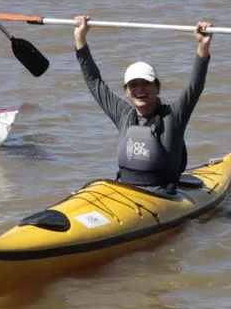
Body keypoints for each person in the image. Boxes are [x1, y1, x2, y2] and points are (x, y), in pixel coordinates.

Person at [74, 14, 212, 194]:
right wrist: (80, 38)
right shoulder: (122, 114)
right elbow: (94, 82)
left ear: (157, 87)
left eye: (145, 84)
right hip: (125, 191)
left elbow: (195, 86)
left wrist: (202, 45)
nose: (140, 90)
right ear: (126, 91)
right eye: (133, 85)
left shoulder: (174, 116)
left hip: (163, 196)